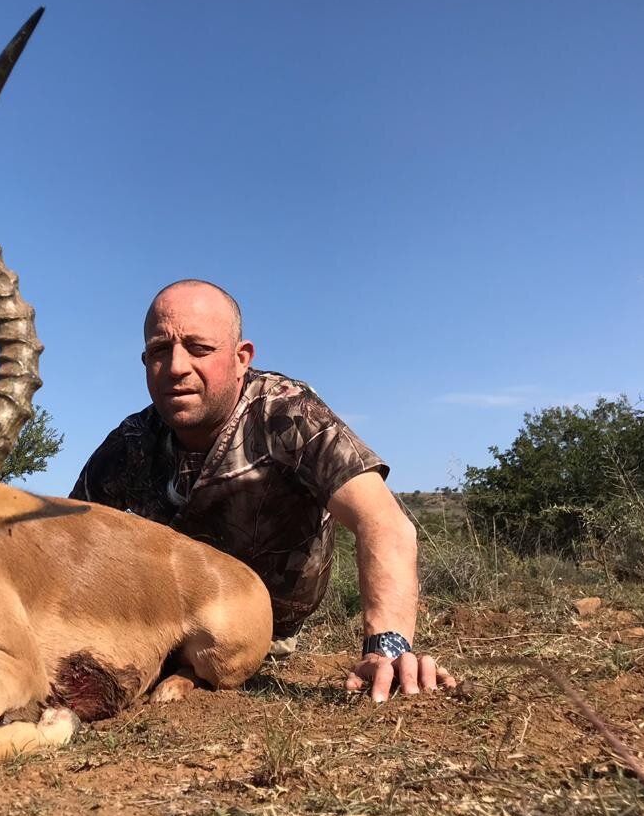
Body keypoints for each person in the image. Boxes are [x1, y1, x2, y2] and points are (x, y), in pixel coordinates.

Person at [71, 279, 455, 702]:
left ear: (241, 358)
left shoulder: (288, 414)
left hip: (262, 636)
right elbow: (66, 542)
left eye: (199, 348)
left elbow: (383, 522)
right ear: (145, 361)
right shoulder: (128, 443)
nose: (176, 366)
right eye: (161, 350)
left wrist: (389, 646)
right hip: (162, 631)